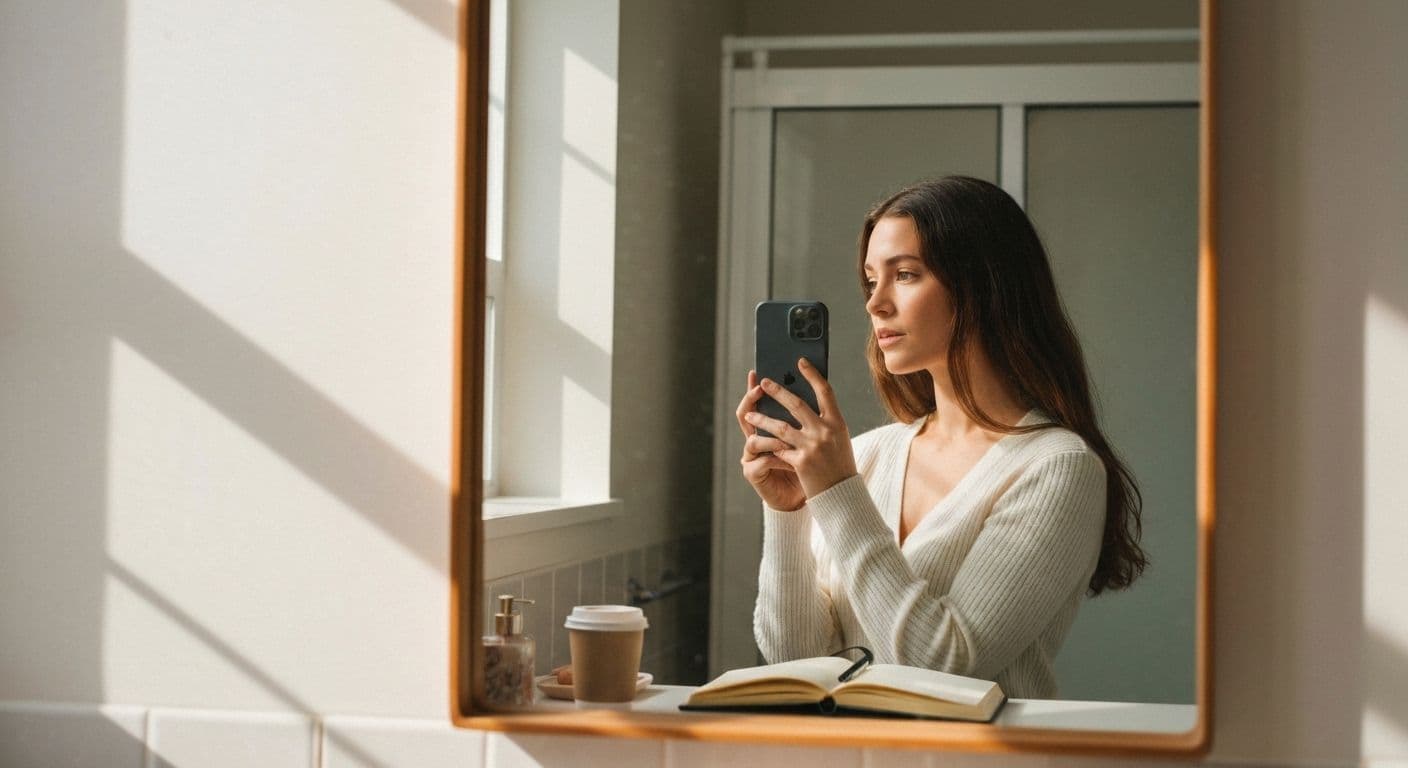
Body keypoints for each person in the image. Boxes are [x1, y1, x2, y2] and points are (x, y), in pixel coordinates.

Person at [737, 176, 1146, 699]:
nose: (875, 304)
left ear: (983, 286)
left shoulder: (1057, 466)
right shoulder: (867, 454)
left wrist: (838, 489)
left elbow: (943, 666)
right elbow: (796, 661)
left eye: (905, 275)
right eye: (870, 281)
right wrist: (789, 512)